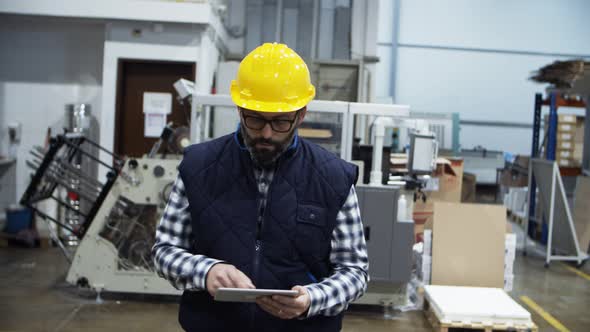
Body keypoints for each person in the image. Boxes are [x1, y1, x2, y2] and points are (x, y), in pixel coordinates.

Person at [152, 42, 369, 332]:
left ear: (300, 114)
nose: (266, 133)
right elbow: (165, 250)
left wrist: (311, 299)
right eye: (255, 119)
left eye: (280, 122)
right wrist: (206, 272)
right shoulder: (198, 166)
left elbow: (355, 271)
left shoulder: (333, 178)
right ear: (240, 109)